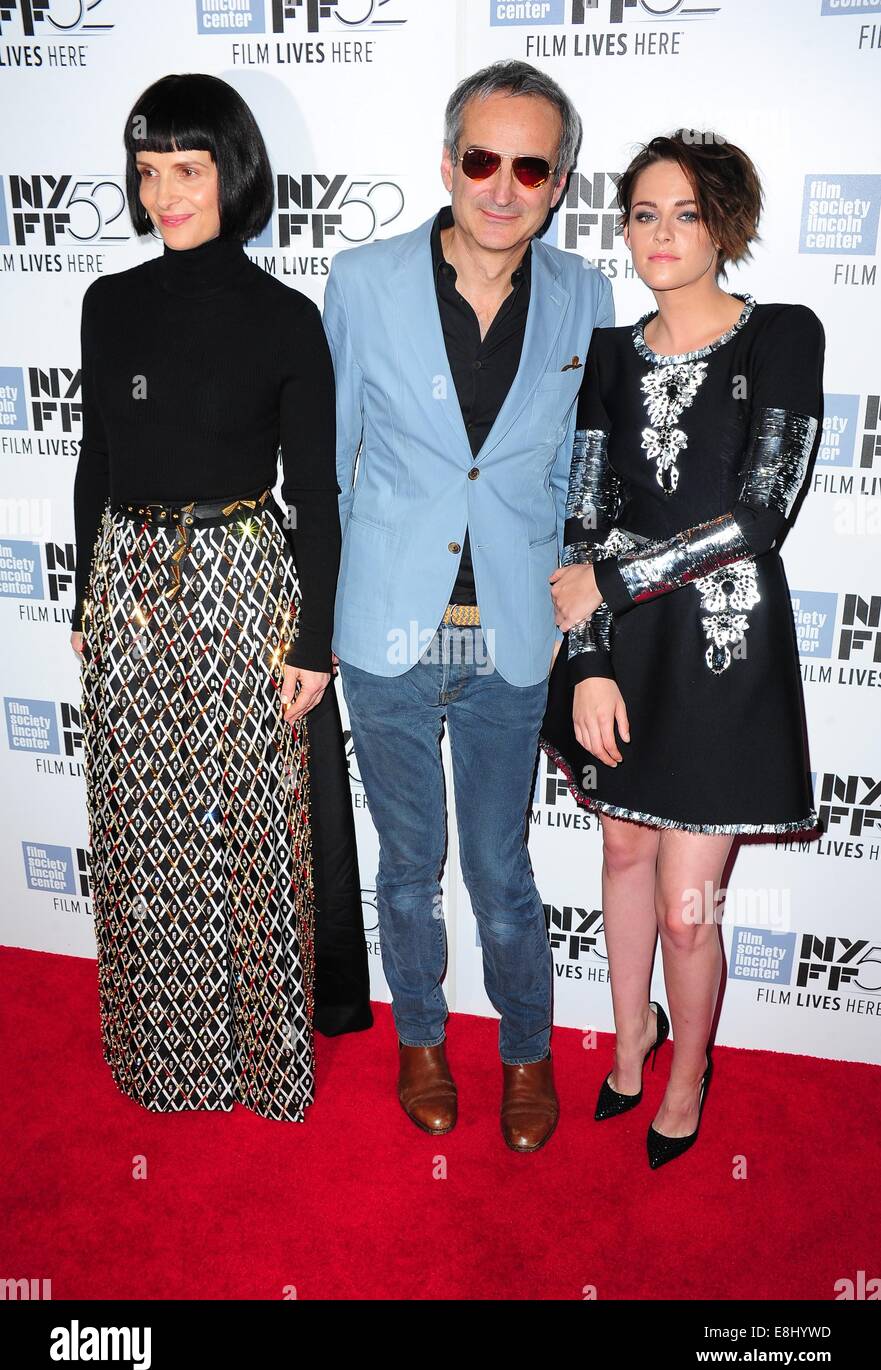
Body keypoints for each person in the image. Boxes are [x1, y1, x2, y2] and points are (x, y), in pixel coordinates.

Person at [323, 60, 614, 1152]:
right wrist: (324, 619)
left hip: (512, 634)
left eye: (529, 165)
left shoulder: (586, 296)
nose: (502, 184)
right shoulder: (361, 281)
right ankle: (421, 1038)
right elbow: (332, 460)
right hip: (387, 630)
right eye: (481, 159)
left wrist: (581, 634)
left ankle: (527, 1050)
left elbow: (574, 478)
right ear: (446, 163)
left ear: (558, 182)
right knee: (406, 863)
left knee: (499, 863)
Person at [71, 72, 370, 1123]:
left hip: (246, 579)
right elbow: (94, 456)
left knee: (248, 831)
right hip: (129, 583)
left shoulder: (286, 321)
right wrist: (82, 601)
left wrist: (315, 641)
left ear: (231, 172)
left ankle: (257, 1057)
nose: (165, 194)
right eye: (149, 172)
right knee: (138, 826)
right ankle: (159, 1055)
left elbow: (319, 500)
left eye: (188, 170)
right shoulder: (107, 304)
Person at [541, 130, 824, 1168]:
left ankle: (691, 1070)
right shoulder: (607, 356)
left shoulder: (779, 335)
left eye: (685, 213)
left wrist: (605, 586)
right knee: (619, 848)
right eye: (643, 213)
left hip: (724, 643)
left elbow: (758, 516)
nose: (660, 234)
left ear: (724, 226)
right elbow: (581, 516)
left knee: (686, 906)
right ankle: (630, 1044)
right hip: (623, 647)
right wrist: (588, 658)